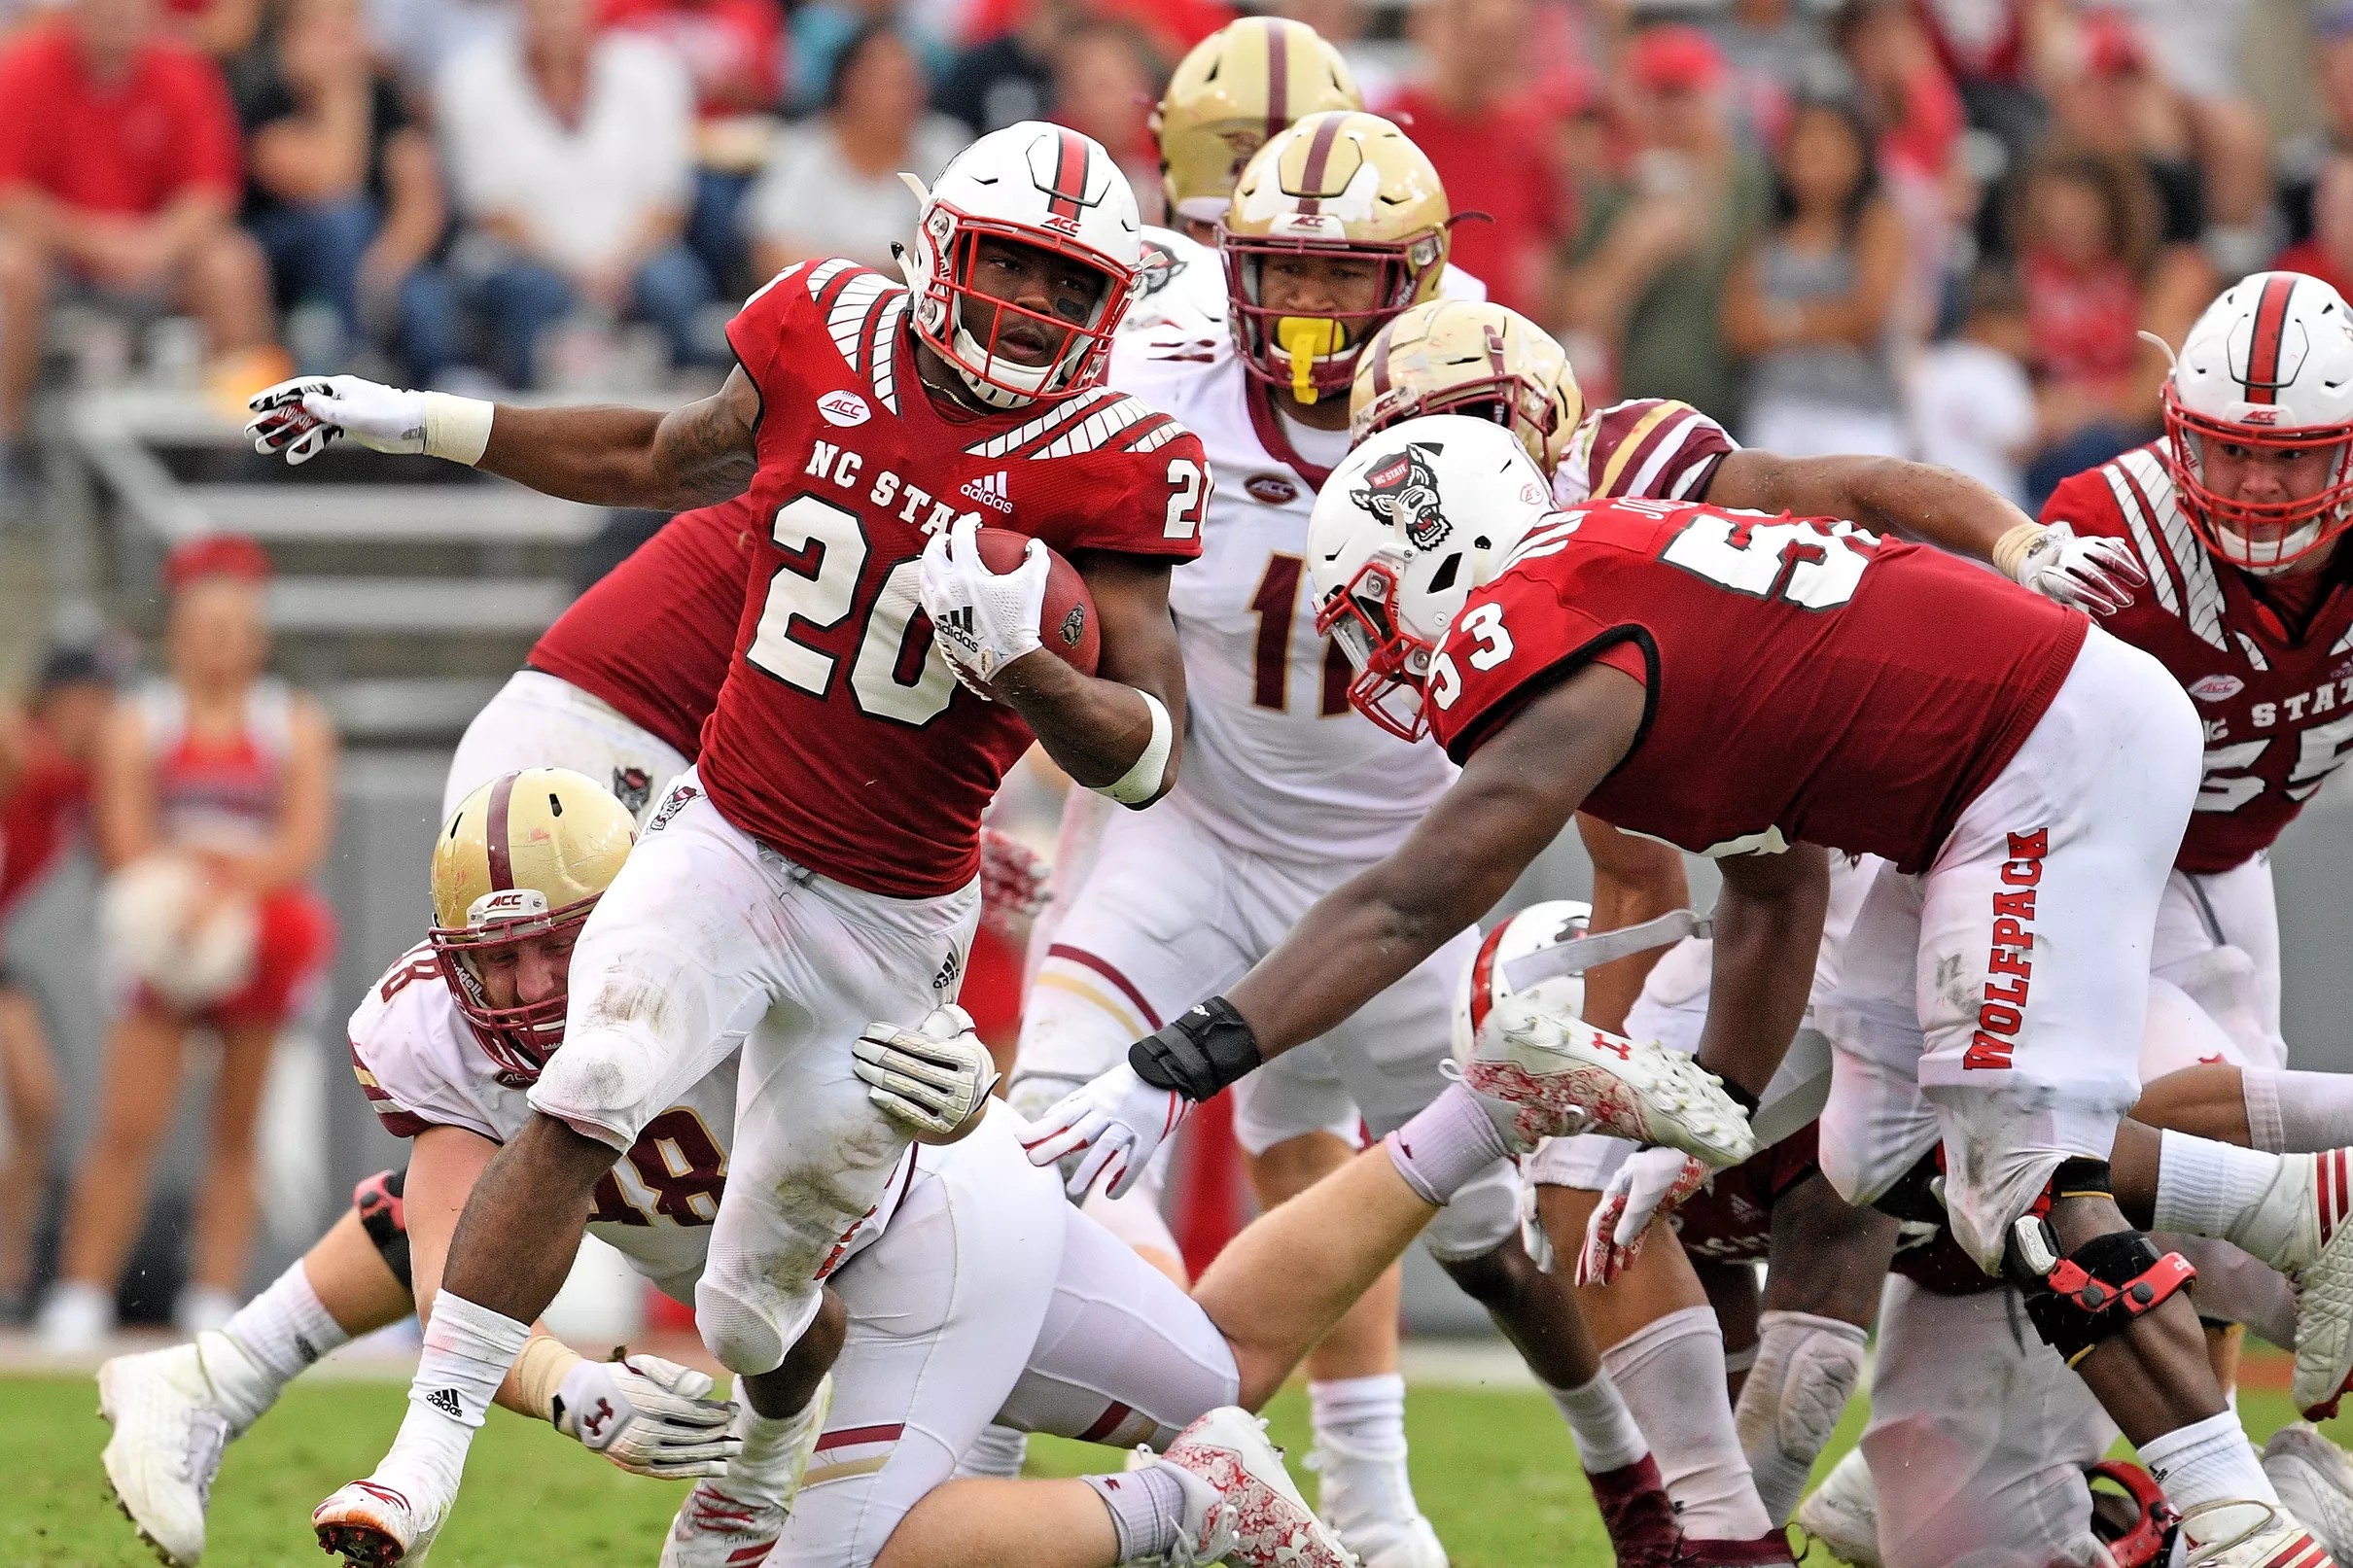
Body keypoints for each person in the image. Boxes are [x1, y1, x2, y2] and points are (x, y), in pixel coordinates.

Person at [1030, 409, 2353, 1565]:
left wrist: (1180, 1061)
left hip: (2043, 758)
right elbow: (1775, 895)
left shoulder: (1547, 616)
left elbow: (1407, 898)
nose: (1381, 659)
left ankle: (2243, 1491)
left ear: (1456, 562)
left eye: (1380, 611)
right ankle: (2289, 1222)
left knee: (2017, 1171)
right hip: (1988, 779)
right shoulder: (1648, 607)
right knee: (1885, 1137)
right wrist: (1706, 1109)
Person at [244, 121, 1223, 1567]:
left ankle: (766, 1455)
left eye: (1063, 283)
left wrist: (1028, 668)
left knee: (753, 1307)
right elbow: (655, 451)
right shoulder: (820, 326)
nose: (1025, 303)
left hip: (893, 919)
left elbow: (1148, 756)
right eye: (1006, 259)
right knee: (595, 1074)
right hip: (731, 834)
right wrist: (412, 416)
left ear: (1112, 303)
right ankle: (417, 1459)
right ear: (936, 243)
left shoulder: (1119, 459)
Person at [97, 758, 1648, 1568]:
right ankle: (1484, 1111)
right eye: (483, 965)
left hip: (917, 1247)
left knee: (858, 1561)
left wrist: (954, 1020)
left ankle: (1185, 1519)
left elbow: (883, 963)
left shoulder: (719, 940)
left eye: (549, 955)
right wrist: (567, 1380)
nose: (512, 1000)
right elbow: (450, 1249)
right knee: (1228, 1363)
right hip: (923, 1242)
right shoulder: (443, 1038)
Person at [1347, 294, 2138, 1557]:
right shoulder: (1501, 604)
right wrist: (1613, 1093)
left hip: (1927, 806)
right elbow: (1642, 875)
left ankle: (2206, 1462)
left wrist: (2015, 539)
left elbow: (1864, 485)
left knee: (2032, 1143)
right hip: (1816, 858)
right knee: (1830, 1160)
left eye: (1466, 433)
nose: (1437, 488)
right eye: (1410, 454)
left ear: (1536, 424)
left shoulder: (1636, 480)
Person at [1012, 110, 1563, 1568]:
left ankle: (1653, 1477)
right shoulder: (1159, 381)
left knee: (1500, 1240)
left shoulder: (1489, 404)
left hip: (1409, 878)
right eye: (1280, 273)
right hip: (1193, 835)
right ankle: (1205, 1468)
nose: (1304, 311)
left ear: (1425, 278)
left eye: (1342, 277)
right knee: (1037, 1146)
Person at [37, 535, 336, 1351]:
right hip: (166, 937)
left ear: (258, 636)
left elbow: (302, 840)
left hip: (257, 940)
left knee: (237, 1130)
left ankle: (212, 1290)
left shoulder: (292, 724)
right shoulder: (142, 723)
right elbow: (125, 834)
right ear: (178, 632)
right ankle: (83, 1289)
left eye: (236, 627)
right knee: (128, 1124)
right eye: (205, 626)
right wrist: (192, 892)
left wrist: (233, 891)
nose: (220, 643)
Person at [0, 0, 277, 481]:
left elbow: (213, 191)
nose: (115, 20)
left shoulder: (185, 71)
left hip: (160, 259)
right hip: (58, 261)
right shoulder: (23, 67)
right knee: (8, 266)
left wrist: (155, 244)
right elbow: (9, 192)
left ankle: (240, 447)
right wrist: (93, 240)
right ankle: (6, 446)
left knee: (233, 265)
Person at [433, 0, 710, 387]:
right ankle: (527, 420)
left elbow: (669, 199)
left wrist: (615, 266)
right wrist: (578, 270)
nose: (556, 16)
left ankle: (689, 419)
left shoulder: (652, 71)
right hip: (519, 260)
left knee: (673, 283)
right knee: (532, 293)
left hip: (635, 255)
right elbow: (490, 208)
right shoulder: (470, 79)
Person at [236, 0, 459, 383]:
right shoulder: (264, 92)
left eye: (347, 27)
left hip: (369, 259)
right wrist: (342, 97)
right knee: (342, 222)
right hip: (282, 254)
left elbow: (421, 195)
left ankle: (440, 407)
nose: (340, 44)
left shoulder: (384, 96)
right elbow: (333, 185)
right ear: (290, 39)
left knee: (422, 295)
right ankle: (353, 362)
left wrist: (384, 268)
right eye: (323, 29)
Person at [0, 643, 116, 1317]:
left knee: (38, 1102)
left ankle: (9, 1276)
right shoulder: (22, 747)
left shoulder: (76, 779)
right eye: (86, 699)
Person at [1719, 91, 1907, 458]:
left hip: (1857, 414)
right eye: (1804, 141)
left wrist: (1779, 320)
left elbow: (1867, 318)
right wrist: (1830, 319)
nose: (1815, 153)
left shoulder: (1878, 221)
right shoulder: (1766, 229)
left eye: (1830, 141)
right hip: (1776, 409)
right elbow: (1739, 329)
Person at [1381, 0, 1567, 320]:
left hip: (1501, 334)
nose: (1487, 51)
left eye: (1503, 37)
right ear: (1426, 27)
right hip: (1413, 330)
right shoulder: (1391, 127)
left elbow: (1541, 249)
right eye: (1473, 33)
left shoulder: (1531, 129)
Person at [739, 21, 968, 278]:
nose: (905, 96)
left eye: (912, 82)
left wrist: (840, 269)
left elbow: (966, 249)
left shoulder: (948, 149)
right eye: (891, 84)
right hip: (817, 311)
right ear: (849, 85)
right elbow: (772, 255)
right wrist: (893, 271)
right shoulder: (799, 152)